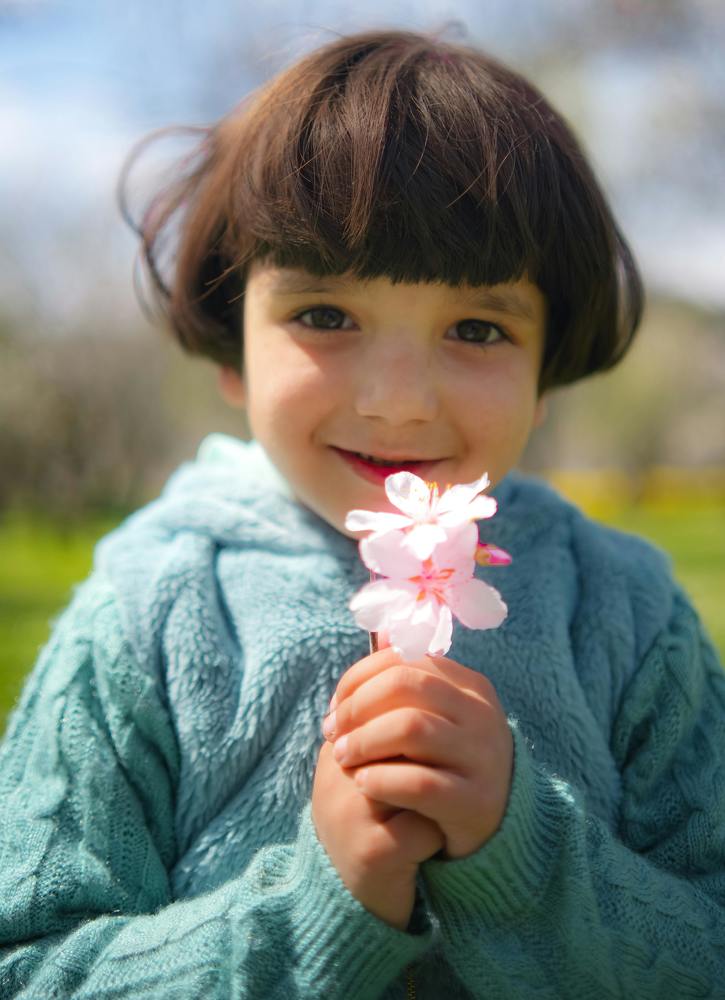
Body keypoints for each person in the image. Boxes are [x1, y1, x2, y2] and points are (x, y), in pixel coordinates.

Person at [1, 27, 724, 1000]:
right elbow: (33, 963)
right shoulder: (149, 607)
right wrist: (318, 905)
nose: (397, 400)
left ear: (546, 367)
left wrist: (525, 854)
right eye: (323, 315)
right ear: (230, 342)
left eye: (475, 328)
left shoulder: (624, 612)